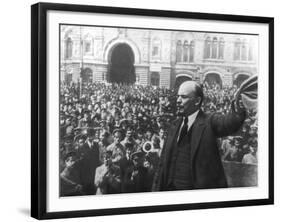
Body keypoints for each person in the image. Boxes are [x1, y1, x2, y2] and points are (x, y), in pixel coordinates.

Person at [153, 81, 246, 191]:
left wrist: (239, 110)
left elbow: (229, 123)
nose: (178, 100)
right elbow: (162, 163)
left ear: (197, 101)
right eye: (178, 96)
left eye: (183, 97)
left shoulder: (209, 122)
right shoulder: (174, 125)